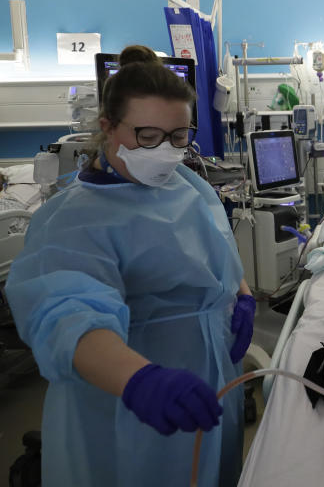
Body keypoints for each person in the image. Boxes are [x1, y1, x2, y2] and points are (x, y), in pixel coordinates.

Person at [6, 45, 255, 487]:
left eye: (179, 136)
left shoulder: (186, 183)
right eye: (147, 136)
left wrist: (243, 295)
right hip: (128, 400)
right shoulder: (74, 220)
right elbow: (67, 316)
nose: (164, 151)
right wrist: (142, 381)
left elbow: (218, 251)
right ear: (107, 126)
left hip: (211, 378)